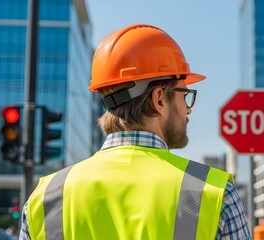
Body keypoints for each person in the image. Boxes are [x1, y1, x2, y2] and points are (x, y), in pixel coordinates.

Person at [19, 24, 251, 239]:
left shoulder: (45, 198)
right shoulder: (212, 193)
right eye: (185, 96)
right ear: (159, 99)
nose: (188, 110)